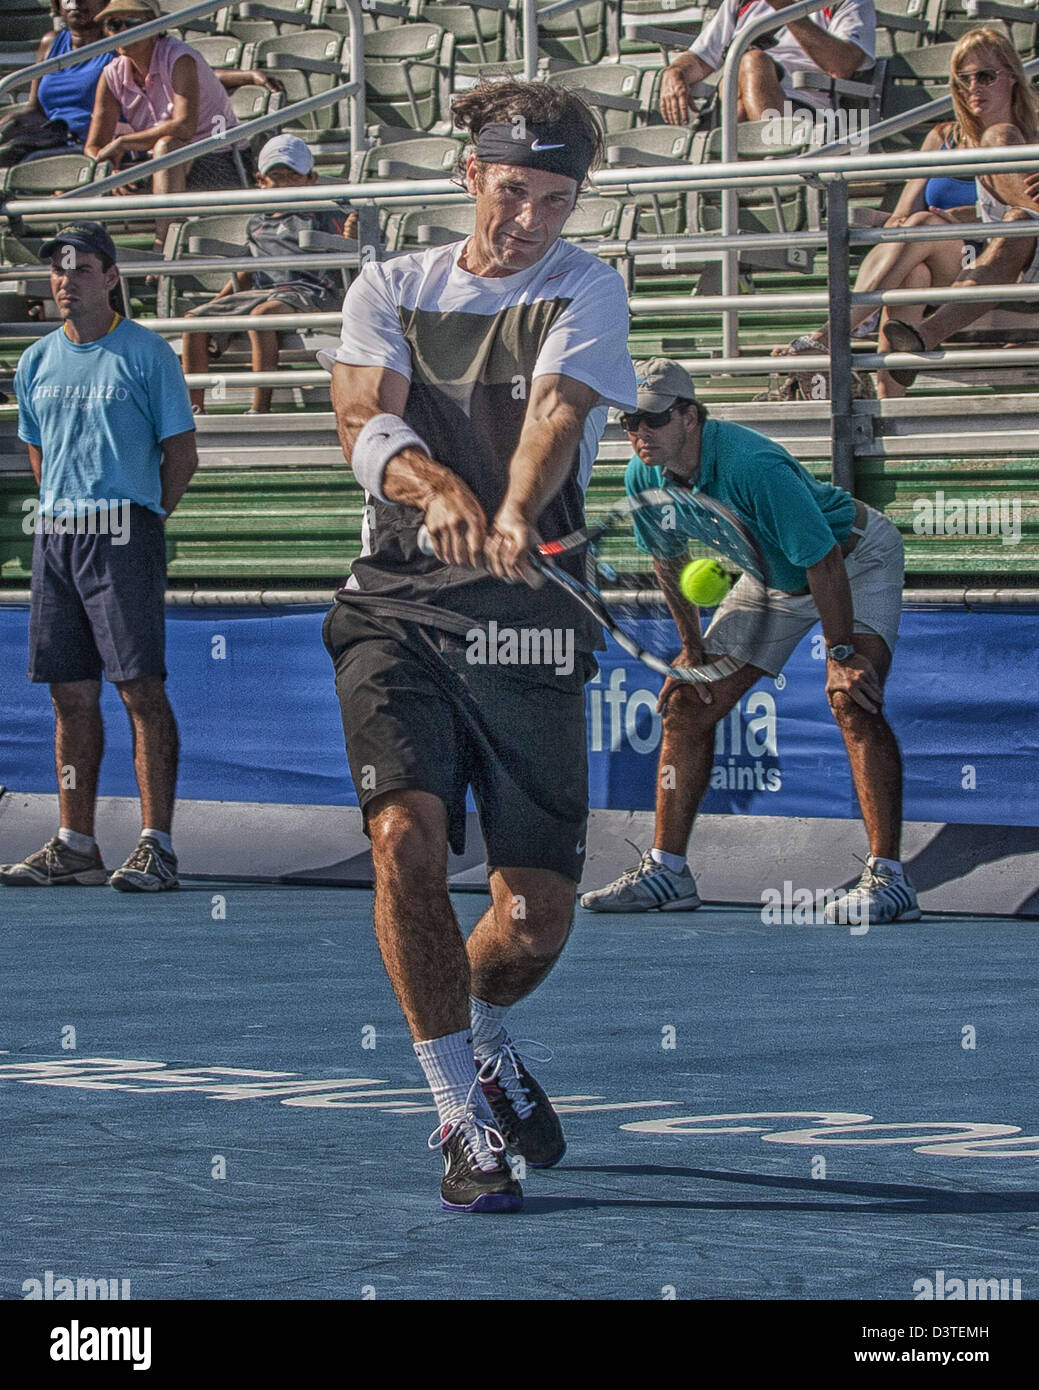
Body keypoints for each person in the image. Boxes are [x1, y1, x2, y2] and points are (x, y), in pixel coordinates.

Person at [320, 79, 636, 1213]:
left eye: (556, 200)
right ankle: (458, 1113)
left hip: (534, 622)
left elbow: (556, 412)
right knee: (404, 836)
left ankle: (486, 1035)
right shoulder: (390, 288)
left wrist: (515, 506)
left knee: (534, 916)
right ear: (470, 177)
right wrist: (436, 483)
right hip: (395, 606)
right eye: (513, 192)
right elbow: (362, 419)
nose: (531, 221)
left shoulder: (587, 286)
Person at [581, 358, 919, 927]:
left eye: (653, 420)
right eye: (629, 422)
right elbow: (669, 561)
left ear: (690, 416)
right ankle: (668, 872)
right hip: (769, 576)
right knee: (689, 704)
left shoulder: (752, 465)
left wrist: (840, 657)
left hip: (855, 560)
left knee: (851, 700)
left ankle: (889, 878)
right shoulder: (644, 475)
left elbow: (824, 560)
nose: (639, 433)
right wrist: (691, 651)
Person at [1, 222, 197, 893]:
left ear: (111, 277)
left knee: (140, 689)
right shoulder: (35, 362)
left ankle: (157, 845)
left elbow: (181, 455)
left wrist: (142, 519)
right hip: (56, 534)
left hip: (124, 535)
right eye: (58, 271)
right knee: (69, 695)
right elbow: (39, 454)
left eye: (82, 268)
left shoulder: (147, 354)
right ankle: (75, 842)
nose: (66, 281)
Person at [774, 26, 1039, 398]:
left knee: (929, 228)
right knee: (914, 263)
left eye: (986, 76)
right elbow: (901, 217)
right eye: (963, 80)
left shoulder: (1028, 134)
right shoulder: (943, 136)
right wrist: (938, 222)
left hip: (1011, 255)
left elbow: (1001, 212)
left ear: (1011, 76)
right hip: (955, 252)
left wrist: (950, 220)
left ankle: (828, 338)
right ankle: (887, 408)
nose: (974, 88)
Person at [183, 134, 357, 416]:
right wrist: (217, 306)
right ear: (261, 181)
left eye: (293, 175)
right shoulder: (257, 222)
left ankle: (260, 408)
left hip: (310, 291)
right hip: (264, 292)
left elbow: (356, 247)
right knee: (193, 321)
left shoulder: (326, 213)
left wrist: (353, 235)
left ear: (311, 179)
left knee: (262, 316)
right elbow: (247, 271)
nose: (284, 183)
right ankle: (194, 408)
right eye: (276, 176)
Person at [84, 0, 247, 244]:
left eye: (132, 22)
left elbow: (183, 127)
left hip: (221, 156)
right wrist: (111, 170)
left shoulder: (180, 58)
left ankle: (165, 246)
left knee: (167, 147)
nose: (122, 31)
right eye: (114, 24)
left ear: (155, 25)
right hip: (162, 166)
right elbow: (94, 145)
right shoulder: (111, 74)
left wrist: (123, 143)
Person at [659, 0, 875, 127]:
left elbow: (842, 65)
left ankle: (770, 163)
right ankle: (765, 171)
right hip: (738, 104)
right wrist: (675, 72)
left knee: (752, 61)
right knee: (740, 75)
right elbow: (701, 57)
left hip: (806, 112)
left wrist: (785, 8)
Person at [0, 0, 112, 165]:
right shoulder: (50, 42)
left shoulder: (118, 44)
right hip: (52, 137)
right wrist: (7, 125)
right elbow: (35, 109)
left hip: (90, 143)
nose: (75, 2)